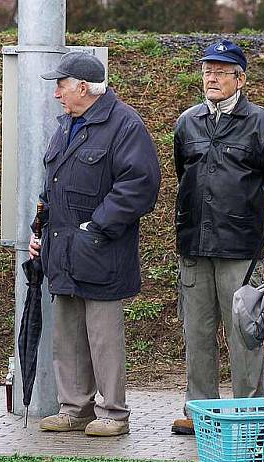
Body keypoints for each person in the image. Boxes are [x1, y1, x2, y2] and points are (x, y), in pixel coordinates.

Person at [28, 51, 161, 437]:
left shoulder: (124, 125)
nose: (56, 94)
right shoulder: (67, 124)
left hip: (101, 250)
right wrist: (40, 230)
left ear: (82, 88)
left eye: (61, 85)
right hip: (62, 247)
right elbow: (52, 184)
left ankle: (113, 414)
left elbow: (140, 185)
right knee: (67, 332)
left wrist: (95, 227)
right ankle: (75, 408)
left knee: (104, 337)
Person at [171, 40, 264, 435]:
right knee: (197, 334)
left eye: (222, 71)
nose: (212, 77)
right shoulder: (187, 122)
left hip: (241, 247)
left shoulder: (263, 124)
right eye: (207, 69)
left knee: (245, 335)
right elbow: (183, 175)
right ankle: (201, 411)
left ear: (241, 78)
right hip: (194, 246)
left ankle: (251, 414)